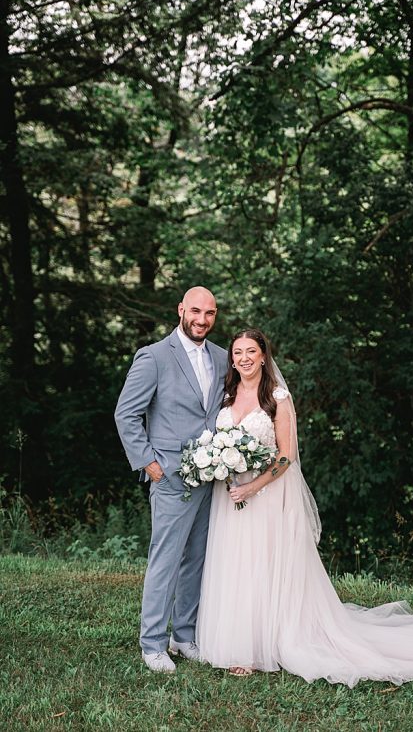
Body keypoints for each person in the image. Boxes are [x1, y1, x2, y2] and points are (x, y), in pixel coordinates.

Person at [196, 329, 413, 684]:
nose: (243, 358)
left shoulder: (278, 398)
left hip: (266, 497)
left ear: (263, 356)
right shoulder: (226, 397)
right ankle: (240, 641)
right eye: (237, 352)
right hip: (230, 498)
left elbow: (286, 457)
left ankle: (267, 644)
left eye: (251, 351)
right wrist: (224, 471)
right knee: (237, 565)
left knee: (265, 566)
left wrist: (253, 487)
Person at [114, 286, 228, 673]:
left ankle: (183, 634)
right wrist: (150, 464)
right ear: (181, 310)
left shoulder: (222, 357)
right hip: (170, 477)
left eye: (209, 313)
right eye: (195, 311)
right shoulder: (154, 356)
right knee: (165, 560)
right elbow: (126, 414)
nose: (202, 320)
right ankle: (152, 644)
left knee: (197, 559)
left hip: (211, 478)